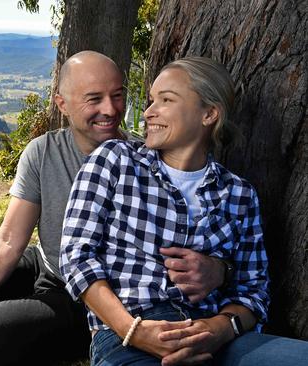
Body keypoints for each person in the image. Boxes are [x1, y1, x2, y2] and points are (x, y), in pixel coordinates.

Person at [0, 51, 227, 365]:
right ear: (62, 104)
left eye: (117, 96)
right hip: (46, 262)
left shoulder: (145, 157)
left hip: (91, 291)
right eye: (94, 99)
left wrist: (219, 269)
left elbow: (189, 220)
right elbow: (9, 240)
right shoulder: (44, 151)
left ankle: (73, 335)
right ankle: (22, 318)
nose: (110, 110)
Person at [60, 56, 308, 365]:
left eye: (166, 100)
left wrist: (219, 328)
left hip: (217, 339)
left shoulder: (239, 195)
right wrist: (133, 330)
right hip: (129, 338)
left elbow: (254, 292)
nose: (149, 112)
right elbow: (76, 258)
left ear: (208, 114)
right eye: (151, 100)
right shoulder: (114, 160)